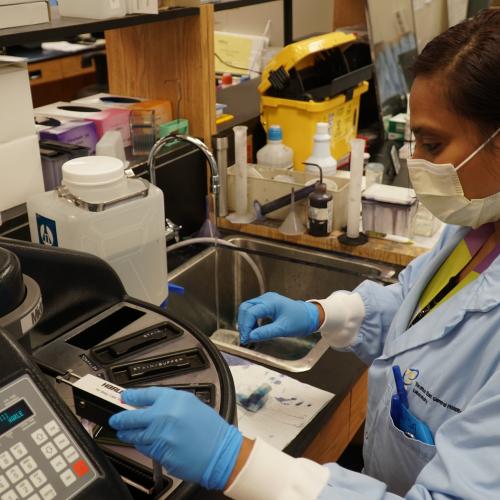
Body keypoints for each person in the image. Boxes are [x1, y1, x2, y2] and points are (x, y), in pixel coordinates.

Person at [108, 10, 500, 499]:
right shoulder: (479, 223)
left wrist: (236, 463)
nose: (415, 161)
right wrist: (322, 313)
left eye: (433, 143)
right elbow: (418, 306)